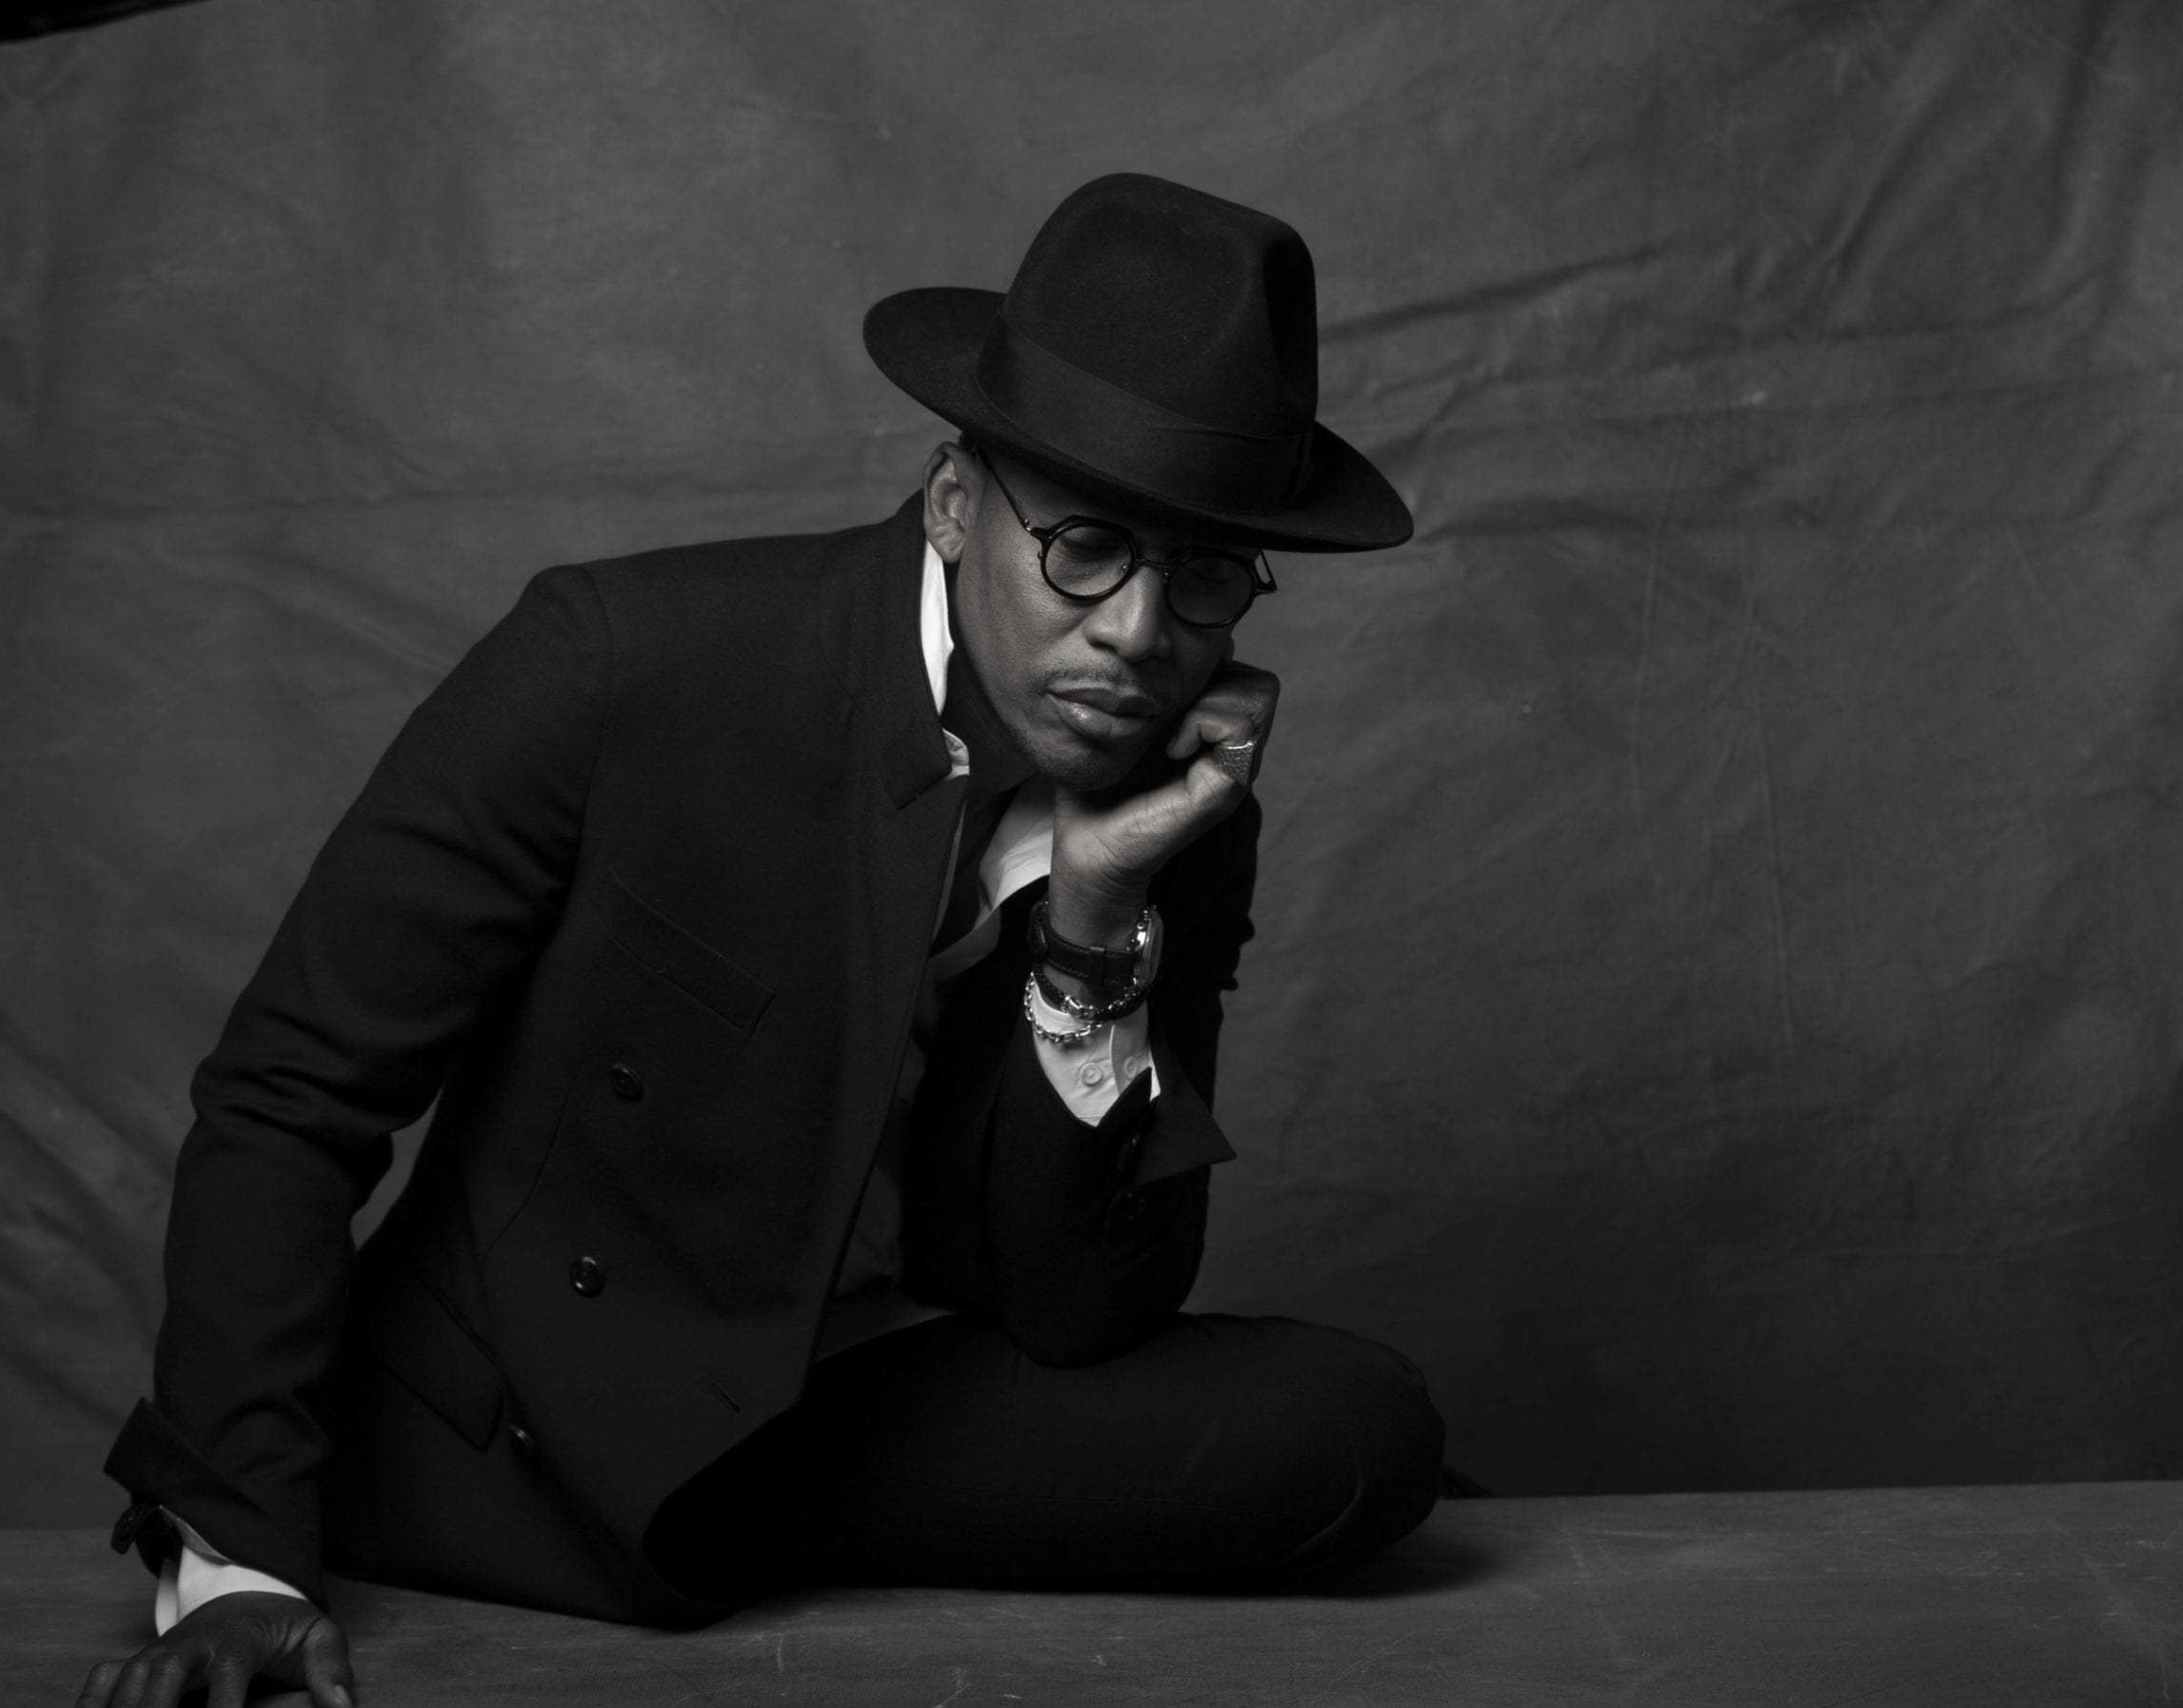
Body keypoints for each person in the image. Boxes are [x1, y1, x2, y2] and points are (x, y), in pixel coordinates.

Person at [76, 172, 1441, 1708]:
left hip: (850, 1397)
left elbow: (1083, 1314)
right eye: (1084, 548)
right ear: (952, 503)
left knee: (1361, 1430)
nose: (1137, 633)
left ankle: (740, 1519)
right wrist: (239, 1560)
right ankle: (661, 1518)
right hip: (513, 1424)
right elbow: (291, 1089)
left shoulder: (1181, 807)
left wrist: (1095, 915)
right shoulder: (618, 665)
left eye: (1203, 574)